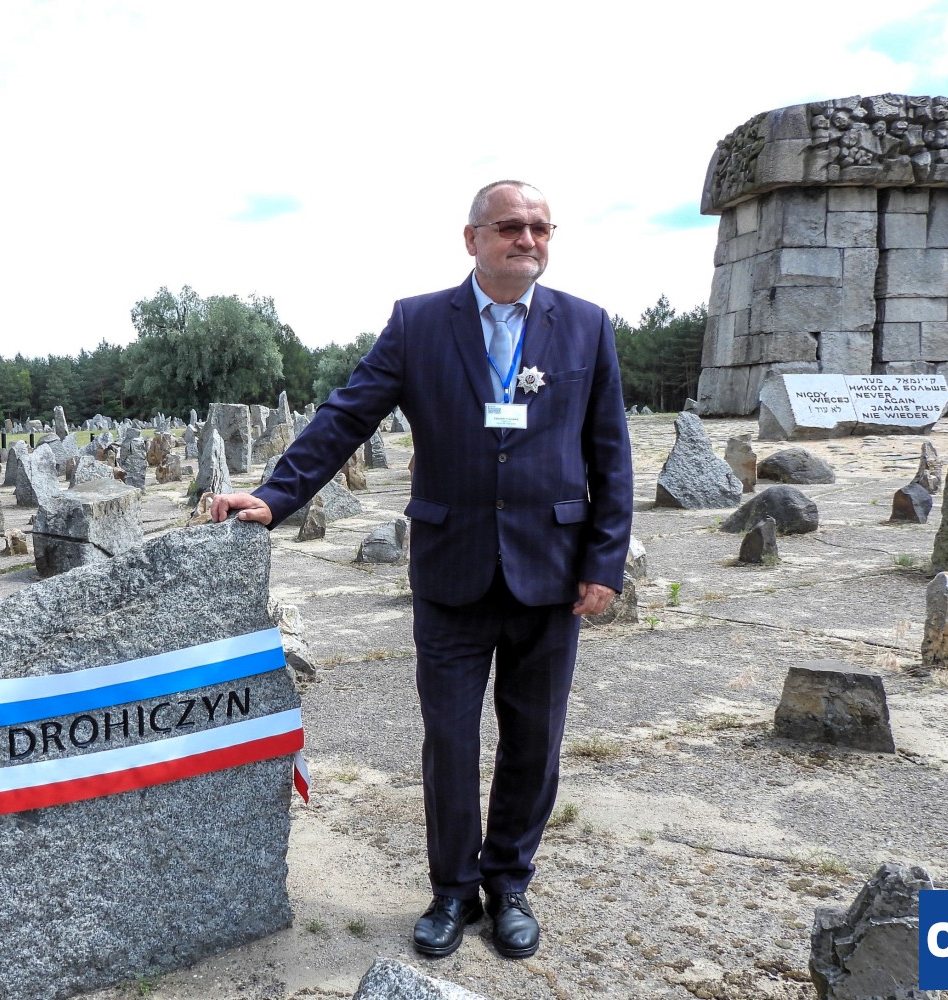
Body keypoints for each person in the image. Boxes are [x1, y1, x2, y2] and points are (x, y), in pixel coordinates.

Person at [210, 180, 633, 961]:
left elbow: (610, 451)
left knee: (534, 740)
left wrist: (605, 560)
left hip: (550, 573)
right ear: (472, 238)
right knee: (449, 741)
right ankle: (453, 890)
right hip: (452, 573)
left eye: (541, 228)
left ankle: (509, 885)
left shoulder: (585, 324)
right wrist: (276, 495)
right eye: (510, 227)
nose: (528, 240)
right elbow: (348, 413)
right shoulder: (418, 322)